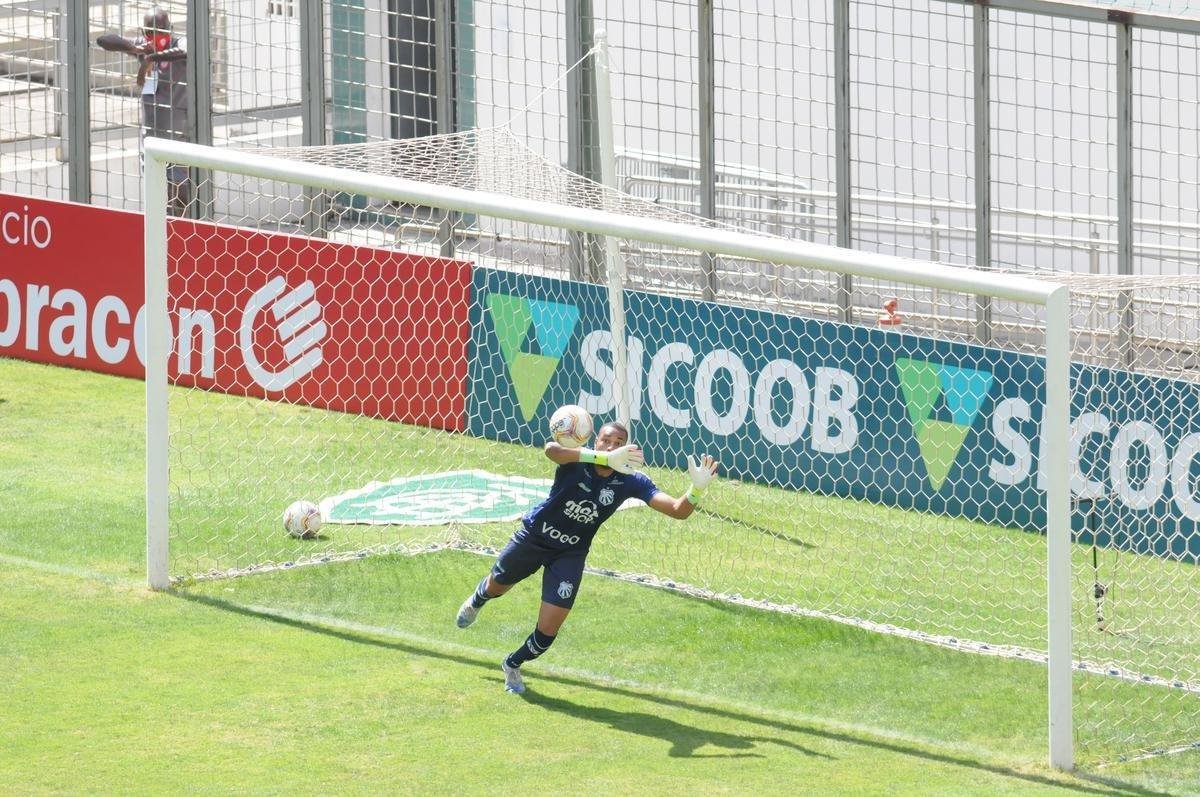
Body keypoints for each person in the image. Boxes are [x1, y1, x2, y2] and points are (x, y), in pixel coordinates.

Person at [455, 421, 719, 695]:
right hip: (534, 538)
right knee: (497, 586)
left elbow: (677, 510)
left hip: (570, 553)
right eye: (607, 440)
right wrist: (602, 458)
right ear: (596, 442)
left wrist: (696, 489)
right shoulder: (576, 460)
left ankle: (512, 664)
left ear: (628, 448)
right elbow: (551, 450)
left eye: (619, 443)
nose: (612, 446)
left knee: (547, 632)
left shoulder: (632, 480)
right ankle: (477, 601)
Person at [96, 7, 190, 215]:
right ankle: (160, 232)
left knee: (180, 194)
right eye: (150, 32)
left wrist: (151, 59)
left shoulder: (178, 44)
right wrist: (134, 48)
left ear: (170, 29)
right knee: (156, 196)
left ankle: (181, 231)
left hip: (178, 136)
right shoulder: (143, 46)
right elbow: (103, 40)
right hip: (151, 138)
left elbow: (187, 50)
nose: (156, 37)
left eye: (161, 31)